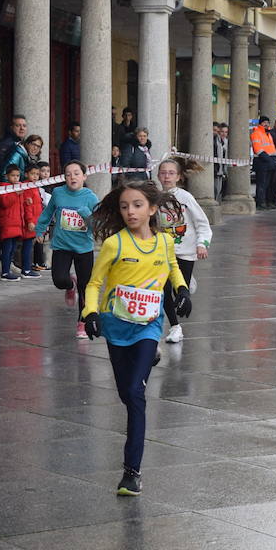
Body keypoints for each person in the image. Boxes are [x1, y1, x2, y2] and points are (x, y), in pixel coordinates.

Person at [80, 180, 190, 496]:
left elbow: (172, 269)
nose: (131, 211)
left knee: (135, 395)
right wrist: (90, 312)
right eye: (125, 206)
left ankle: (131, 473)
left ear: (152, 209)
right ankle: (148, 358)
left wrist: (181, 289)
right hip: (116, 327)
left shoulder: (165, 242)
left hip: (148, 327)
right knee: (126, 395)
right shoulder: (115, 244)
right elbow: (93, 282)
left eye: (138, 205)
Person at [36, 160, 99, 339]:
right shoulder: (58, 193)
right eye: (68, 174)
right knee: (59, 280)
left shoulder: (90, 197)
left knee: (85, 287)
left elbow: (98, 225)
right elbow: (48, 213)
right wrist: (40, 229)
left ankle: (82, 322)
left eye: (76, 173)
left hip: (83, 248)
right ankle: (70, 285)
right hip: (62, 245)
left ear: (84, 176)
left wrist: (86, 215)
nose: (72, 177)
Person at [156, 157, 213, 343]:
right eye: (163, 173)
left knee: (180, 294)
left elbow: (201, 222)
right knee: (164, 291)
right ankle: (175, 327)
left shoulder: (185, 197)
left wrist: (202, 243)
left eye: (171, 173)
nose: (166, 177)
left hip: (186, 251)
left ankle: (186, 286)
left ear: (179, 177)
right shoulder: (155, 198)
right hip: (164, 253)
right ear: (158, 175)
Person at [0, 163, 28, 281]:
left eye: (18, 176)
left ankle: (8, 269)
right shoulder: (3, 188)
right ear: (6, 176)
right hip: (7, 222)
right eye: (13, 175)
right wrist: (16, 194)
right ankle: (4, 272)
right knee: (7, 248)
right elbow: (5, 203)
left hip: (17, 223)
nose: (16, 178)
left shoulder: (18, 188)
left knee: (12, 248)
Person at [19, 164, 44, 279]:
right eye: (32, 174)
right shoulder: (27, 187)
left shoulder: (35, 186)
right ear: (26, 174)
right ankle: (26, 269)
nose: (35, 176)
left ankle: (27, 268)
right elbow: (28, 206)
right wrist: (29, 221)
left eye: (37, 174)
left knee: (29, 245)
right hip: (30, 221)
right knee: (27, 246)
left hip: (35, 220)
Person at [250, 116, 276, 209]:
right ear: (260, 123)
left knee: (267, 184)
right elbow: (257, 149)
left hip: (269, 161)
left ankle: (265, 201)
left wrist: (273, 159)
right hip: (262, 161)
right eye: (264, 122)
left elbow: (271, 148)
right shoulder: (256, 133)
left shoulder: (268, 134)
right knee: (261, 184)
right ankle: (260, 202)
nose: (266, 124)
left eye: (268, 122)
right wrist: (269, 159)